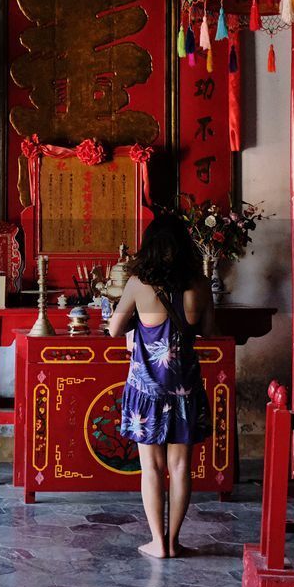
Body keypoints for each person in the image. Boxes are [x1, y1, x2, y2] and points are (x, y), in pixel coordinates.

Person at [106, 214, 216, 559]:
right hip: (184, 386)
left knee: (150, 467)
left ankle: (157, 542)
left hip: (147, 388)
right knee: (181, 466)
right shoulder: (199, 282)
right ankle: (174, 540)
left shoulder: (139, 283)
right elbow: (209, 331)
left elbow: (113, 329)